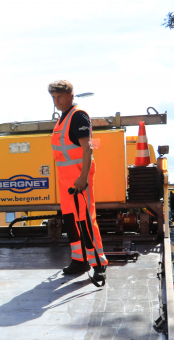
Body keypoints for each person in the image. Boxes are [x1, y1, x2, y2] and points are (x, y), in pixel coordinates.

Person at [48, 80, 108, 276]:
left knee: (86, 221)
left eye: (60, 97)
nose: (57, 101)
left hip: (78, 180)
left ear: (71, 95)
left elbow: (87, 148)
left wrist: (83, 178)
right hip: (66, 182)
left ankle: (98, 263)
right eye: (54, 98)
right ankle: (79, 261)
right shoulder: (62, 118)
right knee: (72, 221)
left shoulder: (78, 116)